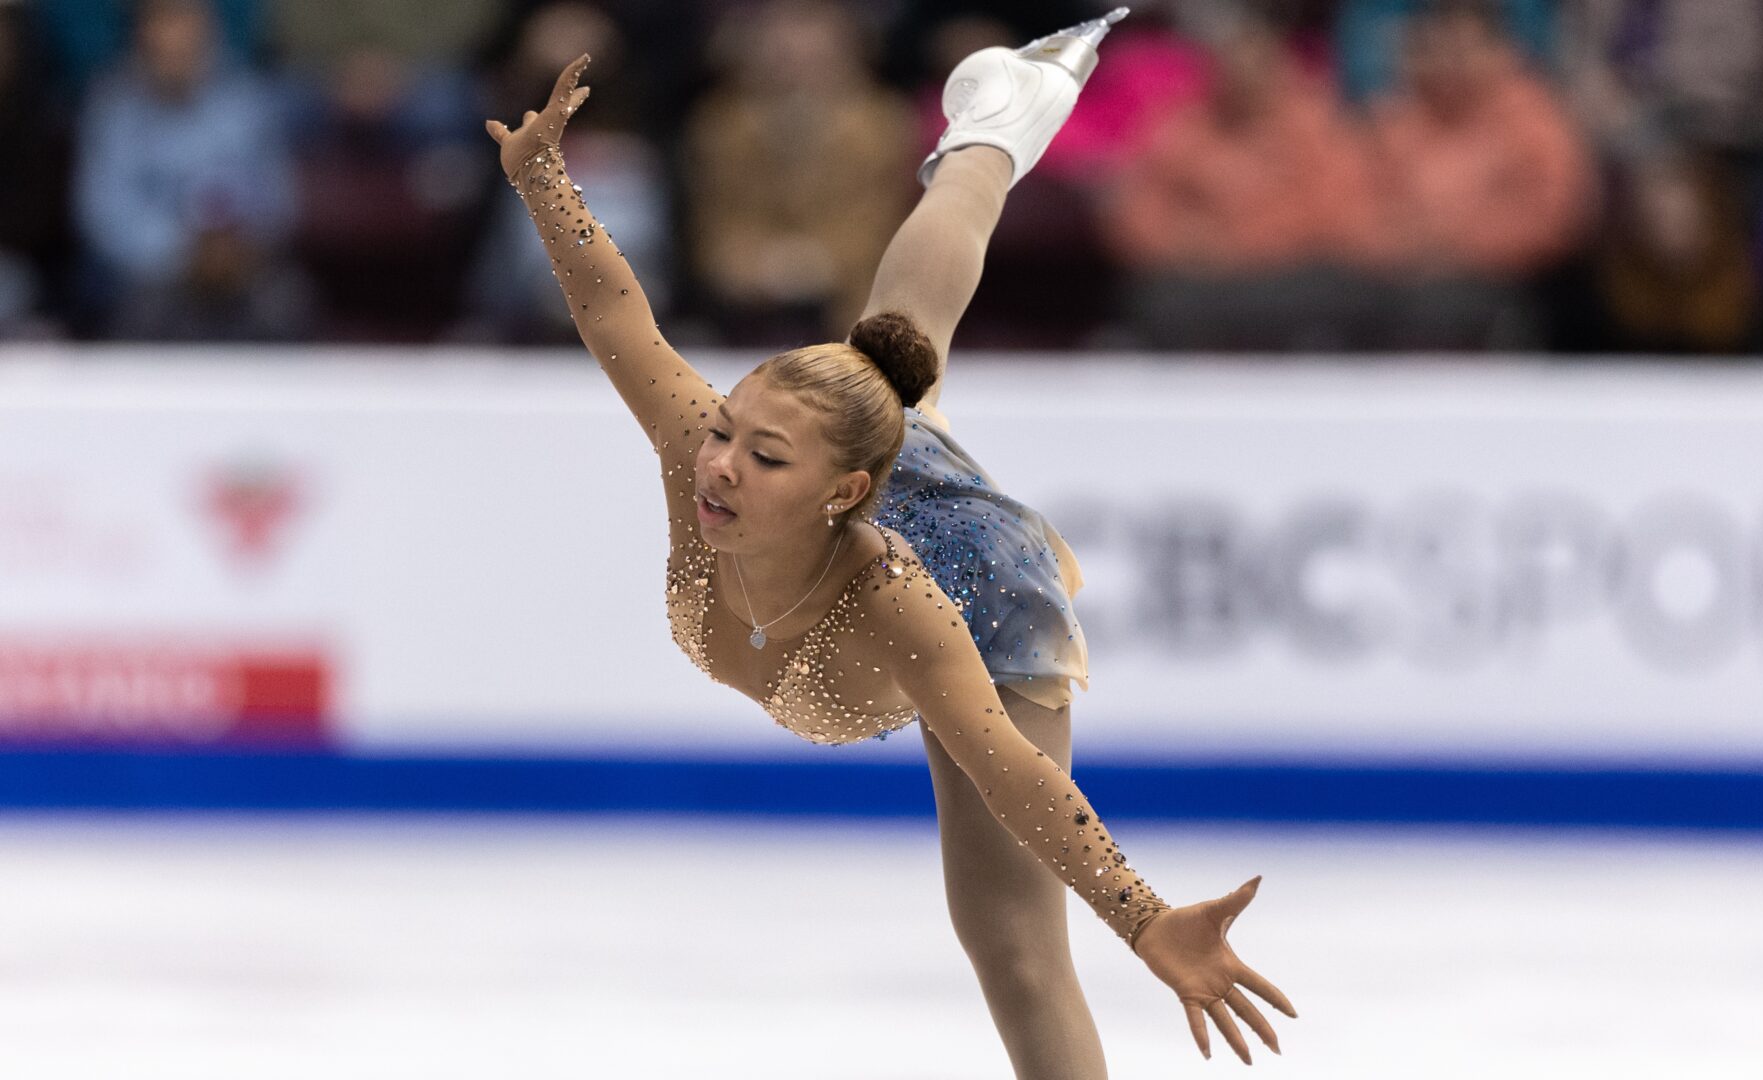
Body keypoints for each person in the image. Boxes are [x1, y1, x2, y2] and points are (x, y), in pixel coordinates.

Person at [483, 24, 1295, 1075]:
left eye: (761, 457)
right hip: (859, 464)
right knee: (896, 341)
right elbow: (614, 313)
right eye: (727, 427)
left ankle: (992, 135)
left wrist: (1143, 920)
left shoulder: (907, 600)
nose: (719, 465)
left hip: (981, 583)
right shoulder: (704, 456)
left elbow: (1011, 771)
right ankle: (992, 127)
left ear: (845, 492)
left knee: (1009, 942)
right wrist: (543, 178)